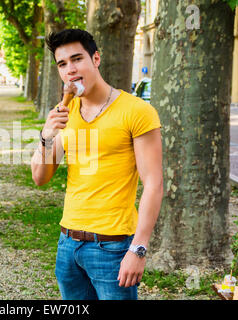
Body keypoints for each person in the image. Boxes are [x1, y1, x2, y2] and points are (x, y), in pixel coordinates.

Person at [30, 29, 163, 300]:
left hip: (112, 249)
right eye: (62, 64)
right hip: (67, 245)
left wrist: (138, 249)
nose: (70, 70)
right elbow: (39, 177)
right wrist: (46, 136)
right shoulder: (64, 114)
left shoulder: (136, 111)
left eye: (77, 59)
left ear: (96, 59)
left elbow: (154, 184)